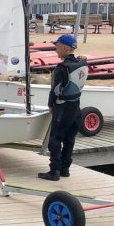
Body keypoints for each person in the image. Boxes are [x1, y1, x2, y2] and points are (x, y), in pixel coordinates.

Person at [38, 34, 88, 181]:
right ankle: (65, 169)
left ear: (66, 48)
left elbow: (55, 90)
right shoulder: (83, 63)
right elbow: (82, 60)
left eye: (57, 46)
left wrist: (50, 105)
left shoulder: (62, 68)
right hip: (76, 107)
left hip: (63, 107)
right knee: (69, 138)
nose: (55, 49)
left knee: (55, 139)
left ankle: (54, 171)